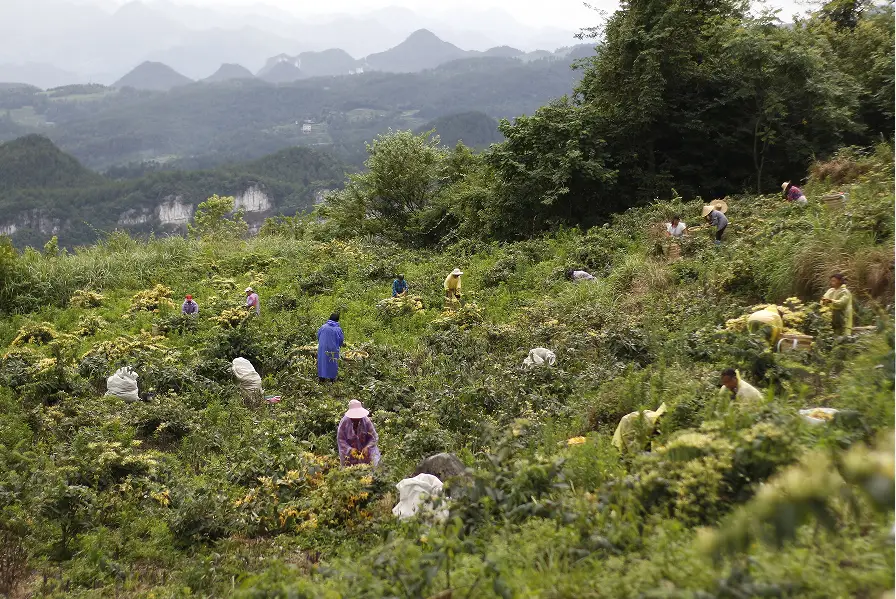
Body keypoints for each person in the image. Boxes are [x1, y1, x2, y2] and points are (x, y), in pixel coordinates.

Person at [337, 399, 381, 467]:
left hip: (366, 455)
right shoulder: (344, 422)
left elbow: (374, 437)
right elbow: (341, 439)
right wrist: (349, 449)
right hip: (349, 457)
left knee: (367, 472)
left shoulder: (366, 421)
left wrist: (367, 447)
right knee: (351, 473)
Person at [317, 313, 345, 383]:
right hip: (333, 349)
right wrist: (340, 345)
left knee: (322, 362)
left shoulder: (323, 327)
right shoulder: (338, 329)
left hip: (322, 348)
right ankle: (332, 380)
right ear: (337, 320)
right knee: (332, 362)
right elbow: (341, 340)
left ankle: (321, 379)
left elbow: (318, 336)